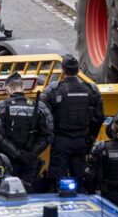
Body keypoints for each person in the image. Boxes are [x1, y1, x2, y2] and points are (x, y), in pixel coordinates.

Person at [40, 54, 104, 192]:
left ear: (63, 70)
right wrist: (90, 138)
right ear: (78, 70)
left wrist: (50, 136)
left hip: (61, 141)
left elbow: (42, 114)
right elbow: (99, 117)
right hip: (82, 141)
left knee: (58, 184)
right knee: (80, 182)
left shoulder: (54, 89)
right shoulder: (91, 90)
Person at [0, 72, 54, 188]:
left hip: (7, 159)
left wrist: (16, 154)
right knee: (28, 191)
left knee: (7, 191)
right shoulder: (39, 107)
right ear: (23, 87)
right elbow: (48, 135)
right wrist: (31, 154)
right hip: (30, 160)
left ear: (8, 89)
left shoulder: (1, 106)